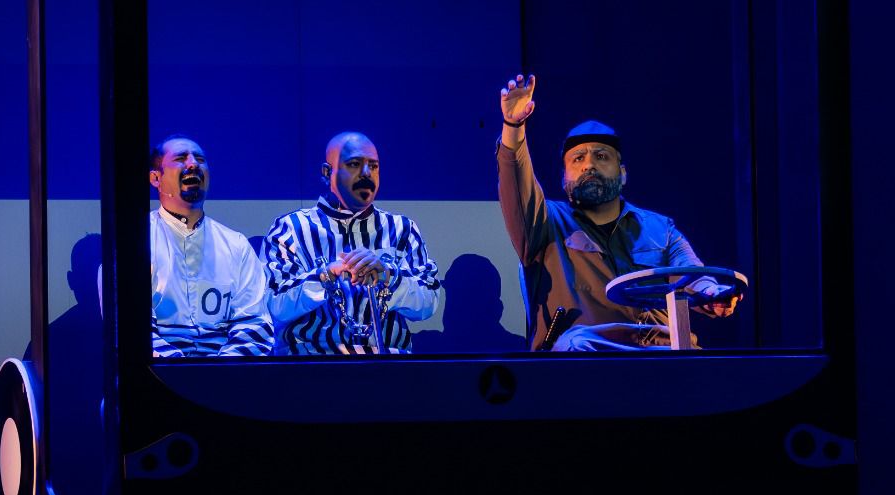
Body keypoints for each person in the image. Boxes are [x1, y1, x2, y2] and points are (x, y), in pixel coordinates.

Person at [495, 73, 742, 351]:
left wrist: (712, 292)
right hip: (585, 352)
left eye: (601, 156)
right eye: (578, 158)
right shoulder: (545, 223)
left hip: (659, 351)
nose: (589, 165)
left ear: (622, 174)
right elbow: (516, 184)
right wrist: (513, 126)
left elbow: (691, 273)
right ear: (564, 178)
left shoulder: (660, 229)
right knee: (577, 347)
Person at [263, 131, 443, 354]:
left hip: (388, 365)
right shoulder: (291, 229)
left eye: (373, 166)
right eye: (354, 164)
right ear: (327, 172)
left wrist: (389, 276)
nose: (366, 173)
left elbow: (429, 302)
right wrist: (325, 276)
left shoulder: (401, 229)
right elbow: (273, 304)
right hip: (311, 363)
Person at [149, 135, 274, 357]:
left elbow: (255, 322)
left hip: (225, 373)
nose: (193, 164)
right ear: (156, 178)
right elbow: (128, 326)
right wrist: (177, 369)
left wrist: (219, 371)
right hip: (156, 373)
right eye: (180, 158)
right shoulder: (137, 241)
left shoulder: (236, 245)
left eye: (200, 159)